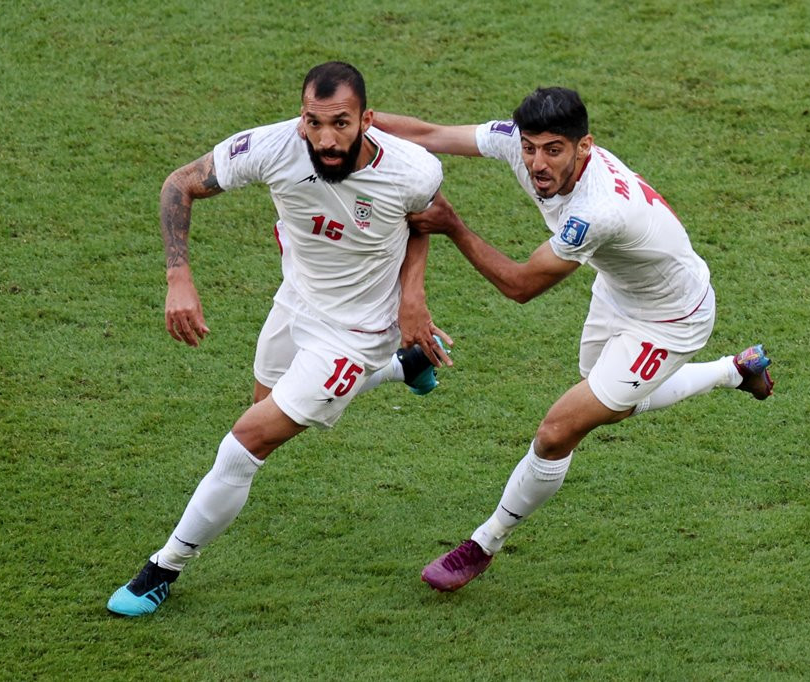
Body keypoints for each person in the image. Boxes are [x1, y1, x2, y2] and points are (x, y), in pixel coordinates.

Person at [374, 87, 774, 591]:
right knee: (610, 401)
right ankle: (735, 370)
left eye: (553, 150)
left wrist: (453, 225)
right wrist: (356, 127)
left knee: (558, 430)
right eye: (529, 148)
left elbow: (521, 287)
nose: (537, 164)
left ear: (584, 147)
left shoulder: (598, 212)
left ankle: (482, 544)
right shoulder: (519, 146)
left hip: (672, 318)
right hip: (618, 291)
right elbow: (429, 134)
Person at [107, 62, 452, 616]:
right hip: (296, 303)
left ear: (366, 119)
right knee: (265, 407)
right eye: (315, 123)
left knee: (246, 444)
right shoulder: (271, 148)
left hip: (357, 333)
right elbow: (180, 184)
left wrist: (412, 298)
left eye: (341, 123)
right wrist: (179, 277)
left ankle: (162, 568)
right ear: (301, 118)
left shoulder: (412, 170)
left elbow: (424, 222)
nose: (327, 139)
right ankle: (403, 367)